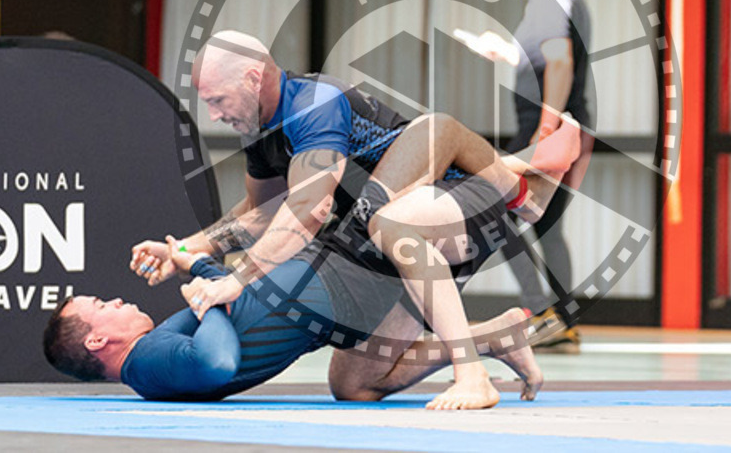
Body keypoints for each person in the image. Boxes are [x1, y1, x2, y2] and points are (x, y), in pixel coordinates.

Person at [130, 30, 580, 407]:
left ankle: (472, 373)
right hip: (395, 241)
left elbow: (309, 209)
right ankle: (495, 336)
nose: (213, 115)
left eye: (217, 100)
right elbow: (259, 213)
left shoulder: (314, 103)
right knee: (354, 384)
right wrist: (184, 248)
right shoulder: (261, 134)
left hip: (459, 203)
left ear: (252, 79)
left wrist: (237, 278)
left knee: (390, 215)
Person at [44, 130, 576, 405]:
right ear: (97, 341)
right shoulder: (147, 365)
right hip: (337, 280)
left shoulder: (151, 358)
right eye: (101, 305)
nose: (116, 299)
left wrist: (198, 266)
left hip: (331, 290)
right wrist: (205, 277)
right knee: (406, 165)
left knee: (354, 384)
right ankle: (524, 177)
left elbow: (220, 316)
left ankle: (524, 171)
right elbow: (218, 362)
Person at [459, 0, 596, 352]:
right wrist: (509, 52)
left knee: (494, 213)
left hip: (546, 130)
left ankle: (543, 313)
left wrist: (546, 127)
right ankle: (559, 321)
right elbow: (545, 57)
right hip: (556, 127)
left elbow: (560, 61)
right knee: (546, 225)